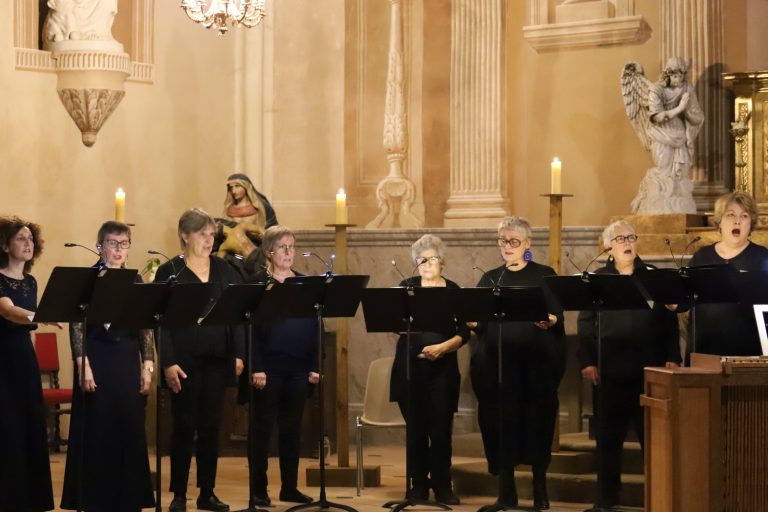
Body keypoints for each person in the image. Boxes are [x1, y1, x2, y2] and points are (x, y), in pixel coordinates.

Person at [577, 220, 681, 512]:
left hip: (651, 369)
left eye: (631, 237)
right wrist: (588, 361)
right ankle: (606, 498)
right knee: (608, 439)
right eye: (620, 238)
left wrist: (673, 356)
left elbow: (669, 322)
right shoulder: (597, 280)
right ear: (607, 246)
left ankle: (659, 497)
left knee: (654, 438)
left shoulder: (653, 276)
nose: (627, 243)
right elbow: (585, 324)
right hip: (610, 369)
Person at [470, 216, 565, 511]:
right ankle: (506, 492)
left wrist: (550, 320)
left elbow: (557, 315)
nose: (507, 246)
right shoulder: (491, 278)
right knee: (501, 427)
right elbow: (480, 323)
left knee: (537, 426)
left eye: (513, 241)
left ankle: (539, 491)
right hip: (499, 370)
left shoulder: (544, 275)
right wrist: (469, 320)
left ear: (527, 244)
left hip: (535, 369)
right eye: (503, 241)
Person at [60, 221, 155, 512]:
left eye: (123, 244)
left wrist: (148, 364)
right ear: (100, 247)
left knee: (128, 428)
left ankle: (128, 500)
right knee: (97, 430)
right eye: (112, 243)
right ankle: (94, 500)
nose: (118, 249)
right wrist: (83, 365)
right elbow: (76, 325)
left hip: (126, 359)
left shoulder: (135, 280)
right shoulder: (88, 279)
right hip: (96, 357)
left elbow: (145, 325)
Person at [155, 208, 246, 512]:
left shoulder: (224, 269)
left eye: (211, 235)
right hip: (183, 361)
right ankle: (179, 494)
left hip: (218, 359)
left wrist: (238, 353)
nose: (209, 240)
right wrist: (167, 361)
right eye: (202, 234)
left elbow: (236, 314)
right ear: (185, 235)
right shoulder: (169, 271)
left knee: (211, 427)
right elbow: (161, 322)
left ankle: (207, 492)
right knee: (183, 427)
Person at [389, 234, 469, 505]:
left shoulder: (453, 290)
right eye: (420, 260)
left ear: (442, 262)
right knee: (416, 431)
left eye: (431, 259)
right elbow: (394, 322)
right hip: (410, 369)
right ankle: (418, 486)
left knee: (441, 430)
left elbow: (464, 333)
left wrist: (443, 347)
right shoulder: (407, 287)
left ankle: (443, 486)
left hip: (442, 370)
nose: (425, 264)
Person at [245, 225, 318, 508]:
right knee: (262, 431)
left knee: (292, 430)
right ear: (269, 252)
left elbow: (314, 326)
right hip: (268, 369)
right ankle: (258, 490)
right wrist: (257, 366)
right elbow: (250, 329)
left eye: (292, 247)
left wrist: (314, 365)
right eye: (282, 247)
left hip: (299, 369)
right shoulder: (257, 284)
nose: (289, 252)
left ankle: (290, 488)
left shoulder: (304, 284)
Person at [0, 216, 55, 512]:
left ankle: (29, 500)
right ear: (5, 245)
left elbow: (27, 327)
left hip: (23, 357)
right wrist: (40, 315)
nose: (27, 243)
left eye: (30, 239)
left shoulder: (31, 281)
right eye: (20, 238)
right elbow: (8, 311)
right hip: (2, 359)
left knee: (29, 424)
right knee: (7, 427)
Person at [687, 192, 768, 356]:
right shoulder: (701, 257)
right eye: (730, 215)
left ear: (751, 224)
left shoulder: (762, 257)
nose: (737, 221)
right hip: (705, 348)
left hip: (748, 350)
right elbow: (685, 298)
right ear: (720, 222)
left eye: (744, 216)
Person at [216, 173, 278, 279]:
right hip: (235, 253)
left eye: (237, 186)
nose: (234, 191)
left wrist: (264, 235)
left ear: (246, 187)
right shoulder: (229, 209)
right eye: (231, 188)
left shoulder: (260, 207)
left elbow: (270, 228)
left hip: (258, 246)